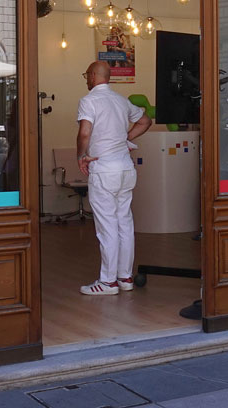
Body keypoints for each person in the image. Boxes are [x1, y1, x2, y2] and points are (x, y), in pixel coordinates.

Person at [75, 60, 153, 295]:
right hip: (125, 170)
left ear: (92, 76)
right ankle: (125, 278)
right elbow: (146, 120)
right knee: (124, 224)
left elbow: (85, 132)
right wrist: (125, 139)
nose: (86, 79)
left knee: (107, 227)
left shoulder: (89, 101)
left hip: (104, 169)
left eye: (86, 75)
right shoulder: (121, 100)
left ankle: (107, 282)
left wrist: (81, 156)